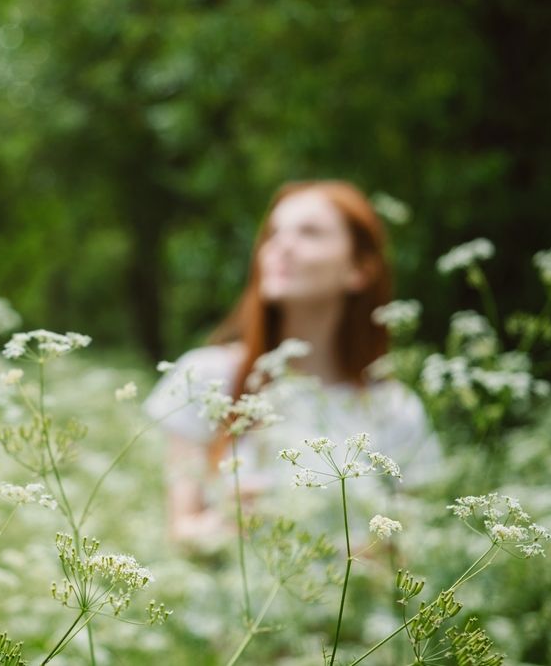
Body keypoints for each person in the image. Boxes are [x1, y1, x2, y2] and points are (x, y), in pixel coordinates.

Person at [143, 180, 440, 552]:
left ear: (359, 270)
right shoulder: (207, 377)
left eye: (310, 233)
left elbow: (404, 561)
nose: (281, 245)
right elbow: (180, 535)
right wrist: (225, 524)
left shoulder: (394, 409)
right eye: (274, 233)